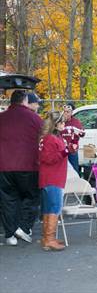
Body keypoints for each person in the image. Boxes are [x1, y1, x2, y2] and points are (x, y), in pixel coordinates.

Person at [0, 90, 43, 246]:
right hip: (28, 165)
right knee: (31, 197)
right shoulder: (35, 118)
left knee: (8, 200)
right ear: (25, 101)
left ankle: (10, 235)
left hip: (4, 166)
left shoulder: (2, 117)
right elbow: (44, 138)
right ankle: (23, 228)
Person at [39, 111, 69, 251]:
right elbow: (48, 159)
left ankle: (47, 238)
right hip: (53, 177)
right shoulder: (50, 139)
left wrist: (68, 150)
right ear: (56, 124)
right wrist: (64, 152)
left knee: (47, 208)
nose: (64, 124)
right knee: (55, 207)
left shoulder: (50, 138)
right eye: (62, 122)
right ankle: (49, 239)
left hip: (50, 177)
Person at [62, 103, 85, 173]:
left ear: (72, 112)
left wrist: (80, 133)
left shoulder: (76, 122)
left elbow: (82, 134)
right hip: (62, 149)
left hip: (72, 150)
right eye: (64, 111)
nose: (66, 114)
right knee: (63, 169)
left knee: (74, 169)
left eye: (68, 112)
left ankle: (75, 181)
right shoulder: (59, 121)